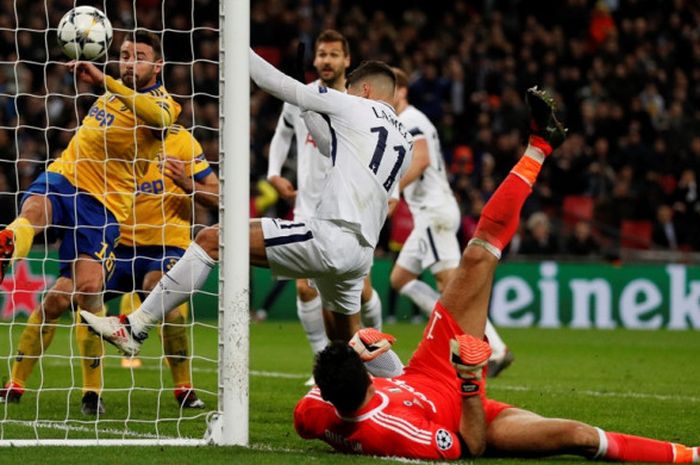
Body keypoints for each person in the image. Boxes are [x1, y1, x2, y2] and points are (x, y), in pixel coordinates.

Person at [294, 89, 699, 463]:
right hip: (472, 411)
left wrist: (372, 354)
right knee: (578, 437)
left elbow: (330, 398)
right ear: (364, 384)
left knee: (477, 255)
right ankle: (691, 455)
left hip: (429, 368)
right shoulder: (394, 433)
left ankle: (540, 145)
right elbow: (470, 446)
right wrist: (469, 380)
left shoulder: (314, 412)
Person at [81, 49, 414, 380]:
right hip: (360, 253)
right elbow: (331, 146)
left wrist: (239, 46)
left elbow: (277, 83)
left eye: (353, 89)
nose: (349, 94)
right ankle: (406, 384)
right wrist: (306, 106)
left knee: (211, 240)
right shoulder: (404, 140)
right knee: (352, 341)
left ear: (365, 91)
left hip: (330, 236)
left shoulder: (355, 104)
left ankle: (135, 327)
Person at [0, 30, 180, 414]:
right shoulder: (112, 92)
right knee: (32, 212)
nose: (129, 61)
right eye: (125, 54)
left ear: (158, 65)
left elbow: (159, 119)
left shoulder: (165, 105)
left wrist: (105, 81)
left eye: (139, 56)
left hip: (103, 206)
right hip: (67, 174)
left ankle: (92, 392)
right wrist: (104, 84)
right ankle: (7, 246)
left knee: (86, 292)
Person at [266, 30, 383, 369]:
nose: (326, 60)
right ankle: (322, 362)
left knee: (359, 295)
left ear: (347, 60)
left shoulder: (358, 104)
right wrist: (275, 171)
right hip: (308, 209)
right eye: (321, 54)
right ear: (314, 59)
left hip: (350, 210)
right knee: (305, 290)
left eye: (334, 54)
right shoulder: (301, 96)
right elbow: (282, 133)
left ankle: (375, 349)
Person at [390, 68, 514, 377]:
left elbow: (421, 161)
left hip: (433, 212)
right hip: (430, 214)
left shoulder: (410, 120)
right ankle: (450, 330)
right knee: (400, 280)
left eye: (387, 89)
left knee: (453, 286)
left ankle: (495, 348)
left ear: (402, 91)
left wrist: (389, 191)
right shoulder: (407, 120)